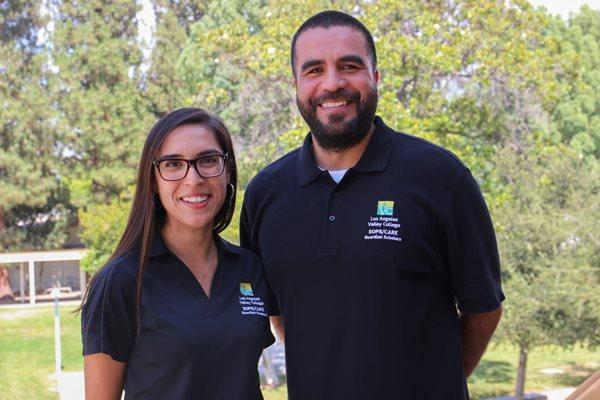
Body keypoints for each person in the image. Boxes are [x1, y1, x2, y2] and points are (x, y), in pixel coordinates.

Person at [240, 11, 504, 400]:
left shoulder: (441, 178)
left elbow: (483, 308)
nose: (333, 83)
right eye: (314, 70)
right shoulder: (266, 194)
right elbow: (278, 313)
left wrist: (437, 383)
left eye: (350, 66)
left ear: (375, 78)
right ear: (296, 85)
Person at [82, 108, 274, 400]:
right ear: (153, 180)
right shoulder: (120, 281)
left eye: (208, 160)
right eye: (173, 164)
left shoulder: (249, 268)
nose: (193, 178)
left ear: (228, 171)